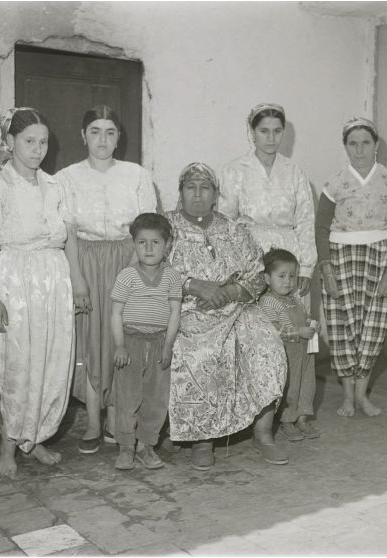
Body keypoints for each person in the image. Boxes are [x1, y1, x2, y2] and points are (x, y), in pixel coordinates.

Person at [0, 107, 75, 478]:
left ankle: (37, 437)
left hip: (53, 283)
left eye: (43, 141)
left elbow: (68, 238)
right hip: (14, 282)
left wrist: (74, 283)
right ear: (11, 142)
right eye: (29, 141)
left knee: (49, 361)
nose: (37, 149)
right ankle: (8, 446)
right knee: (16, 365)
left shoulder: (54, 186)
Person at [166, 162, 288, 471]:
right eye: (190, 188)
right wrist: (193, 285)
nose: (197, 195)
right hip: (189, 310)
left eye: (204, 188)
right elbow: (150, 271)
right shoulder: (167, 228)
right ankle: (202, 439)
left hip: (236, 307)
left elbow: (259, 274)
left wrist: (232, 292)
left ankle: (263, 433)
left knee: (266, 343)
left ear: (215, 194)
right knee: (199, 352)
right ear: (180, 193)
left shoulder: (234, 229)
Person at [56, 105, 157, 454]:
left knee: (122, 338)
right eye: (95, 131)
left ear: (119, 137)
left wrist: (131, 275)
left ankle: (117, 417)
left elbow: (147, 228)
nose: (102, 139)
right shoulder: (67, 177)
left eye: (110, 132)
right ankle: (93, 420)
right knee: (89, 339)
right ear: (83, 135)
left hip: (127, 260)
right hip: (84, 260)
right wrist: (78, 279)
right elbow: (67, 231)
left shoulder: (137, 175)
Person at [315, 117, 387, 417]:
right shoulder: (334, 184)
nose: (359, 151)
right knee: (342, 328)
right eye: (352, 144)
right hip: (340, 258)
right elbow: (321, 227)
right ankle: (347, 397)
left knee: (373, 328)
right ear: (345, 147)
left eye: (365, 143)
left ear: (376, 146)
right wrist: (327, 268)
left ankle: (362, 396)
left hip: (380, 259)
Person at [219, 102, 317, 297]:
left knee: (291, 319)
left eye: (277, 131)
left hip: (289, 258)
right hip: (251, 258)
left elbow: (305, 221)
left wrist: (306, 268)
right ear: (252, 132)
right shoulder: (235, 170)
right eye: (264, 131)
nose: (271, 138)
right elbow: (224, 221)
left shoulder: (294, 172)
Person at [110, 213, 182, 471]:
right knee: (128, 397)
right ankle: (126, 447)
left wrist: (168, 345)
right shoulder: (127, 276)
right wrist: (119, 346)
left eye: (155, 242)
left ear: (167, 245)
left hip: (159, 342)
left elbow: (174, 312)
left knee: (156, 398)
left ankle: (146, 446)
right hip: (131, 342)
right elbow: (116, 313)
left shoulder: (172, 277)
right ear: (134, 244)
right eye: (142, 243)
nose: (149, 248)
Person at [259, 249, 321, 441]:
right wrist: (297, 332)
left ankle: (302, 418)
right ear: (267, 278)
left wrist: (312, 323)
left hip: (306, 350)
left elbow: (305, 316)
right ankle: (287, 421)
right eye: (282, 276)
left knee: (307, 384)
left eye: (292, 276)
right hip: (287, 351)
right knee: (291, 386)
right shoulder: (268, 301)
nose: (288, 281)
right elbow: (273, 330)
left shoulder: (295, 299)